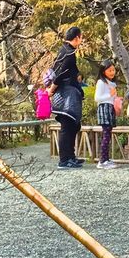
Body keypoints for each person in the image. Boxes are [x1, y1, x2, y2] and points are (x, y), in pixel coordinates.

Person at [50, 26, 84, 169]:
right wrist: (51, 89)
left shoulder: (65, 50)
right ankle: (64, 160)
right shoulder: (68, 53)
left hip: (69, 93)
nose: (81, 40)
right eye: (81, 37)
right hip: (66, 96)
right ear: (76, 37)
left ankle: (71, 156)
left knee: (74, 126)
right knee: (67, 127)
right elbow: (60, 74)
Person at [94, 60, 121, 170]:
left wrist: (116, 98)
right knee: (105, 134)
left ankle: (106, 158)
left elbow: (112, 98)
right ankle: (102, 160)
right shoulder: (101, 82)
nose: (112, 72)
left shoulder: (112, 83)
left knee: (108, 134)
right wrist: (109, 95)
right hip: (104, 108)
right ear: (103, 71)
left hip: (110, 108)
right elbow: (97, 98)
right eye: (109, 70)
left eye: (113, 70)